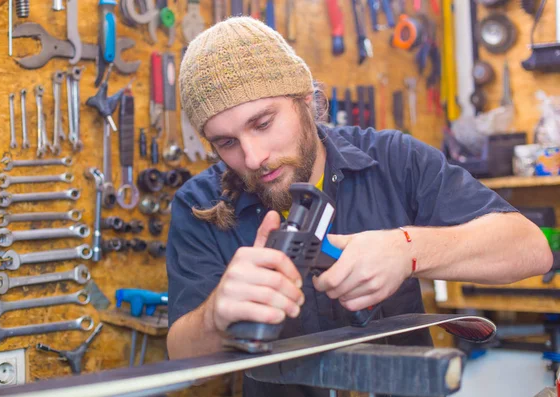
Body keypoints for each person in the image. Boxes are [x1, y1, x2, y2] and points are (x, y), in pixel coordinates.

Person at [165, 16, 553, 397]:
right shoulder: (199, 204)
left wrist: (408, 250)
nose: (252, 157)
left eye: (263, 123)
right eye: (226, 143)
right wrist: (216, 317)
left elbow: (531, 250)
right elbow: (182, 358)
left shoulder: (394, 159)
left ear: (305, 99)